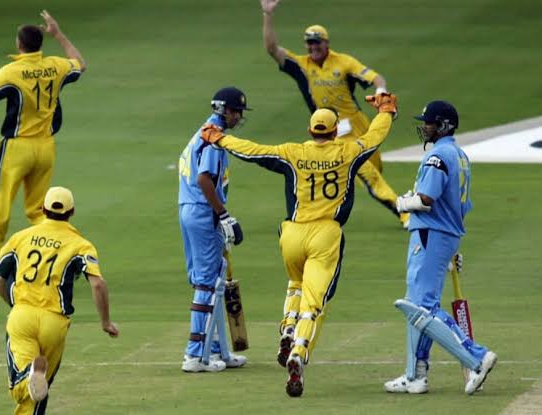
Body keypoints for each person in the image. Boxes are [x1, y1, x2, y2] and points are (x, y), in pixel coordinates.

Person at [199, 93, 398, 396]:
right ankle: (298, 353)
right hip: (325, 235)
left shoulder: (292, 152)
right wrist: (386, 110)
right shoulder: (349, 151)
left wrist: (219, 139)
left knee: (295, 282)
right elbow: (375, 135)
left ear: (310, 131)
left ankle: (288, 329)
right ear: (334, 132)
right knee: (314, 303)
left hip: (291, 234)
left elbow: (253, 150)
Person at [0, 10, 85, 290]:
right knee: (41, 211)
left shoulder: (11, 72)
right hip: (46, 148)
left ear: (19, 45)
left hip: (17, 148)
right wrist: (58, 33)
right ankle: (63, 258)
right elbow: (79, 64)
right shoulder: (55, 66)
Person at [260, 0, 408, 229]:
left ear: (326, 42)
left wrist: (380, 92)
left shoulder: (343, 62)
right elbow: (272, 49)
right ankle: (404, 213)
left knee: (375, 168)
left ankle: (342, 194)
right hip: (333, 132)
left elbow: (377, 79)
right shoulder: (301, 66)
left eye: (316, 42)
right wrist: (267, 14)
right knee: (369, 174)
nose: (312, 47)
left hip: (360, 124)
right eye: (309, 43)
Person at [384, 101, 496, 395]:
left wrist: (401, 203)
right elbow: (459, 205)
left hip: (430, 234)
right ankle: (415, 375)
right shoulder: (460, 156)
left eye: (429, 122)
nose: (424, 127)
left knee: (422, 308)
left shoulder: (438, 155)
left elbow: (425, 200)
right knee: (416, 302)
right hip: (442, 235)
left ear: (443, 125)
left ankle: (476, 357)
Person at [0, 186, 119, 414]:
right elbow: (98, 284)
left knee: (21, 388)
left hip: (22, 316)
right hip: (55, 323)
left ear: (42, 209)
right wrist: (106, 322)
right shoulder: (81, 244)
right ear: (72, 212)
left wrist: (14, 303)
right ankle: (34, 374)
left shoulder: (21, 237)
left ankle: (30, 373)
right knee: (39, 393)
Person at [177, 87, 249, 373]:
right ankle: (195, 355)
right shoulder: (213, 138)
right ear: (225, 110)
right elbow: (205, 179)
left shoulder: (204, 131)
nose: (239, 116)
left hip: (191, 209)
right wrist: (224, 215)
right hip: (202, 210)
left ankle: (217, 349)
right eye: (237, 111)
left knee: (213, 278)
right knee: (208, 282)